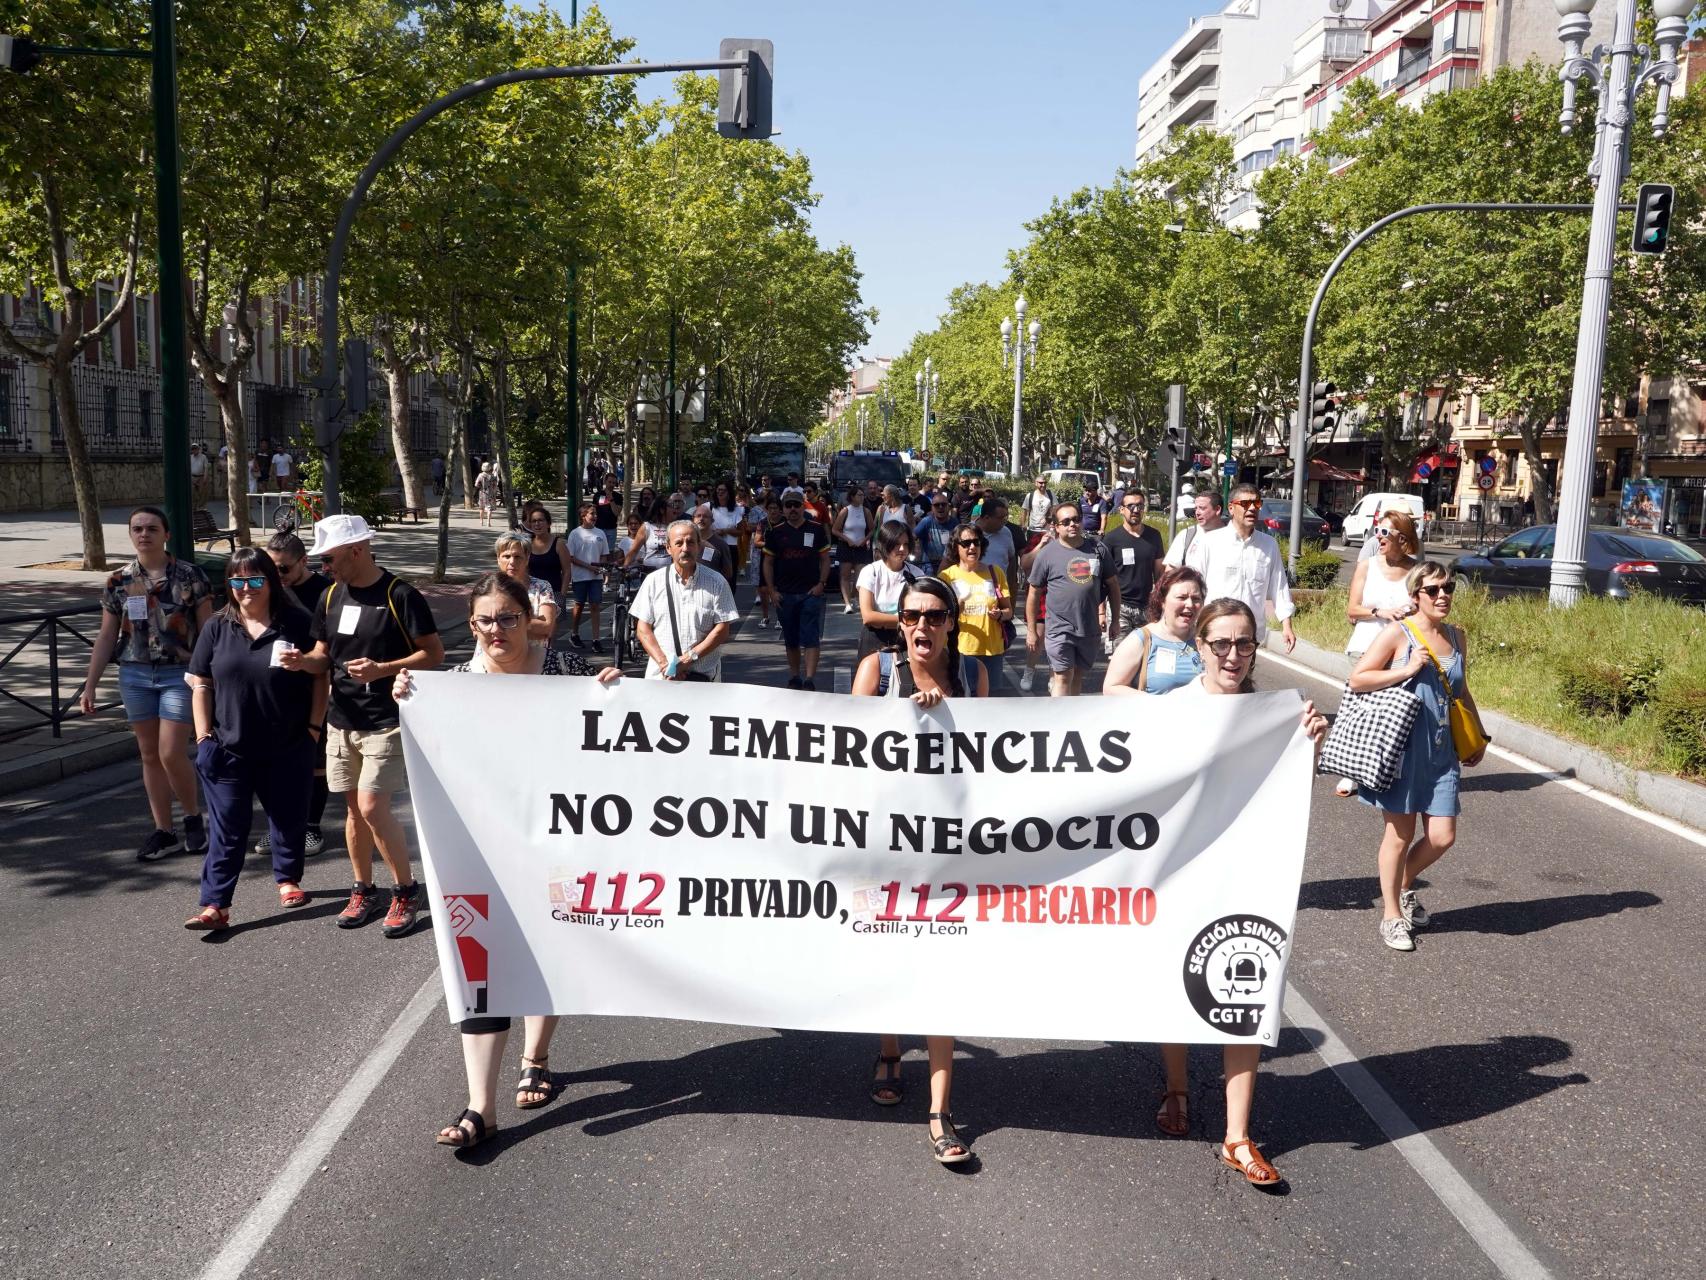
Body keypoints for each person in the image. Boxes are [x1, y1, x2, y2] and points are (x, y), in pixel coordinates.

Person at [394, 574, 619, 1150]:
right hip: (485, 852)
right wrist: (410, 701)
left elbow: (619, 736)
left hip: (561, 842)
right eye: (486, 620)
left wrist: (618, 694)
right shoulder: (456, 686)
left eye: (508, 618)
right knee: (481, 965)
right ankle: (480, 1107)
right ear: (473, 626)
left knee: (549, 951)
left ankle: (536, 1056)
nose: (498, 630)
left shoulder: (566, 670)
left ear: (529, 619)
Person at [1147, 597, 1328, 1187]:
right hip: (1180, 868)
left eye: (1244, 643)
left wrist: (1311, 742)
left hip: (1247, 873)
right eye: (1220, 643)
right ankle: (1176, 1088)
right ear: (1198, 647)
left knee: (1246, 988)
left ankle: (1236, 1135)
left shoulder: (1276, 714)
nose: (1232, 654)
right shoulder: (1172, 709)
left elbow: (1288, 785)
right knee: (1177, 978)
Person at [852, 576, 984, 1167]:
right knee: (886, 959)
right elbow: (834, 750)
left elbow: (1008, 757)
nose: (922, 626)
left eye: (934, 616)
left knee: (941, 971)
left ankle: (938, 1109)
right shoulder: (877, 672)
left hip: (951, 851)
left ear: (952, 622)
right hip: (881, 845)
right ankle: (888, 1049)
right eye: (911, 616)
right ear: (898, 621)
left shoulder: (974, 678)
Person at [288, 514, 443, 936]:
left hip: (385, 722)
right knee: (354, 810)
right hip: (343, 720)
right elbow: (323, 654)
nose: (325, 567)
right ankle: (364, 889)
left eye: (331, 558)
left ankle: (405, 890)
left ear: (357, 550)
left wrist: (384, 669)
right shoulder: (330, 595)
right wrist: (304, 662)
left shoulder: (400, 595)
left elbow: (433, 654)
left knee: (374, 807)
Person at [182, 549, 326, 930]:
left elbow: (321, 674)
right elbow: (201, 684)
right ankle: (215, 905)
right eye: (237, 581)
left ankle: (287, 878)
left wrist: (313, 729)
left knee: (288, 818)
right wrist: (203, 737)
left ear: (271, 582)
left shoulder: (296, 622)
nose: (246, 589)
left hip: (288, 743)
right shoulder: (217, 626)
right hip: (228, 747)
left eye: (255, 580)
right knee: (228, 827)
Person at [1347, 562, 1487, 952]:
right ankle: (1391, 914)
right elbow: (1359, 678)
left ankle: (1403, 885)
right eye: (1433, 590)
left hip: (1443, 753)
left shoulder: (1457, 638)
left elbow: (1462, 691)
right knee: (1400, 835)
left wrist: (1477, 734)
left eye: (1448, 588)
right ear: (1415, 596)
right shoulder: (1399, 634)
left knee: (1443, 837)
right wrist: (1405, 669)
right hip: (1403, 750)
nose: (1443, 596)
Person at [80, 506, 212, 862]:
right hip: (135, 674)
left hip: (177, 675)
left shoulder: (190, 575)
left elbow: (208, 630)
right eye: (137, 528)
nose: (144, 534)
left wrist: (204, 675)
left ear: (165, 534)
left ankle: (192, 817)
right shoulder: (119, 580)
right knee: (150, 755)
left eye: (152, 528)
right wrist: (90, 685)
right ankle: (164, 830)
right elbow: (107, 635)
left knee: (171, 752)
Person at [1334, 510, 1420, 796]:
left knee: (1387, 712)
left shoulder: (1416, 570)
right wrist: (1379, 611)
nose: (1378, 538)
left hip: (1399, 651)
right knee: (1361, 710)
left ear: (1402, 538)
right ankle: (1349, 771)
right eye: (1377, 531)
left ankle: (1380, 768)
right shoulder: (1367, 566)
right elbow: (1351, 610)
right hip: (1365, 647)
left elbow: (1424, 607)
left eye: (1385, 533)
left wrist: (1410, 611)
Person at [265, 533, 334, 856]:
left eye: (283, 569)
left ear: (304, 562)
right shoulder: (268, 589)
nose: (277, 576)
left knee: (313, 759)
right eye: (271, 568)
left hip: (316, 684)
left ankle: (309, 826)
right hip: (277, 687)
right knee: (274, 763)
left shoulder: (325, 592)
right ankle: (279, 827)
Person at [1024, 502, 1119, 697]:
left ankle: (1071, 720)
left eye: (1076, 519)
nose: (1072, 524)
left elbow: (1113, 586)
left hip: (1088, 627)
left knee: (1077, 677)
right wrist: (1032, 631)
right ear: (1056, 527)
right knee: (1062, 676)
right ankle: (1059, 720)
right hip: (1059, 628)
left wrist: (1114, 620)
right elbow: (1033, 593)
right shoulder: (1047, 554)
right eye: (1066, 521)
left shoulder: (1098, 549)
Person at [1186, 484, 1295, 652]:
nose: (1251, 508)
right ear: (1231, 508)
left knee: (1244, 678)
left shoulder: (1269, 545)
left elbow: (1279, 586)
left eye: (1256, 504)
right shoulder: (1210, 541)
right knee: (1214, 678)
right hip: (1215, 633)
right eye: (1244, 504)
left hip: (1250, 636)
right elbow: (1193, 586)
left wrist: (1286, 625)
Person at [632, 521, 741, 682]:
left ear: (699, 546)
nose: (685, 548)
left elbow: (722, 630)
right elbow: (642, 628)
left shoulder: (717, 582)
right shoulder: (653, 581)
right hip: (661, 679)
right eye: (679, 543)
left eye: (691, 542)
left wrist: (688, 659)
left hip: (702, 678)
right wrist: (666, 665)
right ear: (669, 548)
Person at [762, 492, 831, 690]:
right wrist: (771, 591)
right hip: (785, 595)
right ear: (783, 509)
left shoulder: (816, 530)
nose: (792, 509)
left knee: (811, 637)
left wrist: (821, 584)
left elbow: (825, 559)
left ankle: (809, 679)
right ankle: (795, 676)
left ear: (803, 507)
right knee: (791, 639)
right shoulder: (775, 532)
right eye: (788, 505)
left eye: (796, 505)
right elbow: (767, 562)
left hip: (810, 593)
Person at [1103, 566, 1206, 695]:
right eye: (1181, 597)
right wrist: (1156, 703)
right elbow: (1111, 687)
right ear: (1162, 601)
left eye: (1196, 599)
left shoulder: (1207, 639)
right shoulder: (1142, 639)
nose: (1190, 604)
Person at [940, 522, 1011, 696]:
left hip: (991, 650)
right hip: (960, 650)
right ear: (956, 547)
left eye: (976, 542)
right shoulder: (946, 576)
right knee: (962, 699)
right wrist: (956, 609)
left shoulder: (996, 573)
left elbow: (1008, 611)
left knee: (991, 703)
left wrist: (1000, 614)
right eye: (966, 543)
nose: (972, 547)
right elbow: (939, 618)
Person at [1101, 489, 1165, 652]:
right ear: (1121, 509)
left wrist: (1160, 604)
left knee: (1146, 657)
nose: (1136, 510)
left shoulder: (1154, 536)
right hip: (1119, 607)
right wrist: (1101, 612)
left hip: (1147, 607)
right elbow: (1102, 578)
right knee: (1120, 657)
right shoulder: (1111, 539)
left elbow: (1159, 574)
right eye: (1131, 506)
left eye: (1140, 506)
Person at [855, 520, 924, 662]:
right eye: (896, 544)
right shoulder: (870, 571)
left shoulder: (917, 573)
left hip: (907, 637)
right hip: (875, 638)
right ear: (885, 544)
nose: (902, 549)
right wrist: (907, 620)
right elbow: (868, 617)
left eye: (906, 544)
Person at [493, 531, 559, 642]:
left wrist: (500, 621)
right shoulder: (490, 587)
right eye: (506, 556)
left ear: (527, 559)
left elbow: (547, 628)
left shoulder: (541, 587)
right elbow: (479, 624)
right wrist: (530, 623)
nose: (512, 562)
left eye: (518, 556)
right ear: (498, 559)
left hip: (532, 656)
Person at [565, 501, 610, 652]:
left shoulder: (600, 533)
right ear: (583, 516)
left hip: (595, 577)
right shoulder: (575, 534)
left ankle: (596, 639)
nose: (595, 516)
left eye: (596, 514)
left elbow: (604, 555)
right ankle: (574, 633)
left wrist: (601, 568)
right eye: (592, 513)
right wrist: (589, 567)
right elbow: (571, 557)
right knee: (579, 605)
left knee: (595, 605)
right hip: (580, 576)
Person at [522, 502, 572, 621]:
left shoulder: (559, 544)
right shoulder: (527, 544)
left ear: (548, 523)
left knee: (549, 634)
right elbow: (523, 570)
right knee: (533, 634)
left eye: (541, 520)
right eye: (534, 521)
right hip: (532, 594)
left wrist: (562, 595)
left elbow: (567, 571)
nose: (537, 524)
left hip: (553, 594)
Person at [831, 485, 873, 614]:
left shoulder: (865, 511)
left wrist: (864, 540)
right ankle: (847, 603)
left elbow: (872, 529)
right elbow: (835, 530)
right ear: (852, 497)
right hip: (846, 546)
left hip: (860, 547)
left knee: (859, 575)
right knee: (845, 575)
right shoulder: (845, 511)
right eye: (859, 495)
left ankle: (854, 596)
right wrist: (847, 540)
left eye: (862, 495)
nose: (862, 497)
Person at [1164, 489, 1225, 568]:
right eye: (1196, 508)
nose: (1197, 513)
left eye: (1202, 508)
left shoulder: (1234, 535)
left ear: (1217, 510)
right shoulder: (1186, 536)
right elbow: (1170, 571)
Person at [751, 497, 783, 629]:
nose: (773, 511)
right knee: (763, 590)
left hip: (782, 560)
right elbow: (757, 541)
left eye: (776, 508)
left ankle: (780, 619)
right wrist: (770, 545)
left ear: (780, 510)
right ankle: (765, 617)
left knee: (779, 589)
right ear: (766, 509)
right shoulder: (762, 523)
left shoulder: (785, 522)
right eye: (770, 508)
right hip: (765, 558)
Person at [623, 497, 676, 572]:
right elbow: (634, 550)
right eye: (671, 506)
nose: (674, 509)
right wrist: (625, 567)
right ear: (662, 510)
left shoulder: (675, 527)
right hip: (649, 572)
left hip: (670, 572)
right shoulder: (647, 526)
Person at [691, 503, 736, 586]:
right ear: (693, 519)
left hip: (712, 590)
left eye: (705, 516)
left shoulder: (721, 544)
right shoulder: (687, 541)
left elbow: (728, 573)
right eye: (698, 516)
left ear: (712, 521)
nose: (701, 519)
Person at [912, 492, 957, 569]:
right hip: (929, 566)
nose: (940, 507)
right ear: (932, 508)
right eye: (936, 505)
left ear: (948, 506)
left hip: (949, 565)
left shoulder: (955, 522)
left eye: (943, 504)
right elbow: (912, 537)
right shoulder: (926, 522)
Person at [712, 481, 748, 575]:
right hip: (712, 546)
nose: (720, 492)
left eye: (723, 490)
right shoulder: (709, 507)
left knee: (730, 578)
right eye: (718, 490)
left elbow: (741, 532)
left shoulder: (737, 509)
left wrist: (726, 531)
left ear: (729, 493)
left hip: (730, 548)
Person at [595, 477, 621, 554]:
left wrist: (611, 499)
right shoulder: (598, 495)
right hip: (599, 528)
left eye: (613, 483)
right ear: (605, 481)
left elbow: (616, 513)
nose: (611, 484)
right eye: (609, 482)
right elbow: (594, 510)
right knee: (598, 551)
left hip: (611, 529)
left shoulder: (618, 496)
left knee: (609, 552)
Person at [474, 461, 498, 527]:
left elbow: (476, 484)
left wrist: (480, 486)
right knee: (489, 508)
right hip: (490, 493)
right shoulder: (492, 476)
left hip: (482, 493)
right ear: (489, 468)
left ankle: (481, 521)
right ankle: (488, 522)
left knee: (481, 508)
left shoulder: (480, 475)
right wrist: (494, 492)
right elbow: (495, 486)